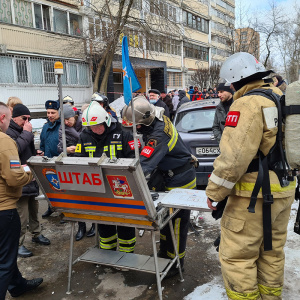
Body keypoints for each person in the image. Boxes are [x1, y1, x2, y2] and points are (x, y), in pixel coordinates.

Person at [206, 52, 296, 299]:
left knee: (237, 257)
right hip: (283, 191)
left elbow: (233, 159)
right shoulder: (279, 96)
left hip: (252, 197)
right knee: (271, 252)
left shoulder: (246, 104)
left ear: (236, 80)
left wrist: (214, 192)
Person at [122, 95, 197, 278]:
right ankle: (166, 254)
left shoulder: (159, 134)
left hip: (180, 181)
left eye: (137, 124)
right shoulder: (156, 117)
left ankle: (177, 264)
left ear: (145, 120)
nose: (136, 128)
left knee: (177, 223)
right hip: (170, 177)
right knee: (166, 222)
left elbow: (145, 164)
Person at [74, 101, 137, 253]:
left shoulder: (123, 133)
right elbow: (78, 159)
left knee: (125, 222)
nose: (95, 130)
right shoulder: (84, 136)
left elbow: (135, 160)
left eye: (98, 126)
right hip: (98, 188)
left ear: (106, 121)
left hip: (122, 187)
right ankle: (107, 254)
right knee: (104, 221)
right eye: (92, 127)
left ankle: (126, 255)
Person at [0, 102, 43, 299]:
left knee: (4, 255)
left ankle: (17, 285)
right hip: (4, 208)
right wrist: (31, 174)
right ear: (3, 118)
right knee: (5, 261)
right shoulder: (5, 140)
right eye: (11, 118)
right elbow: (14, 177)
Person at [6, 104, 50, 258]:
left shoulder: (21, 130)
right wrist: (26, 133)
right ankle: (18, 244)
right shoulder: (9, 131)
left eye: (29, 118)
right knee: (21, 215)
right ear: (14, 117)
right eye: (24, 118)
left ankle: (36, 234)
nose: (27, 121)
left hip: (29, 178)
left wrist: (34, 153)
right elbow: (15, 149)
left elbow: (24, 150)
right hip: (19, 180)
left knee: (34, 208)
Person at [57, 104, 95, 240]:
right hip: (72, 164)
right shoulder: (63, 128)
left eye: (68, 119)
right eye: (64, 120)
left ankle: (95, 224)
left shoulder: (85, 123)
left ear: (74, 116)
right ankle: (81, 226)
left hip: (88, 163)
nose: (67, 122)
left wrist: (79, 145)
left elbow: (90, 139)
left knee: (93, 195)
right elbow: (60, 146)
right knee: (78, 197)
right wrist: (66, 150)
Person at [40, 100, 61, 218]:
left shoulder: (62, 126)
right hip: (48, 161)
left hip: (59, 162)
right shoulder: (45, 127)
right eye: (48, 113)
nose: (50, 115)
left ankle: (63, 210)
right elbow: (42, 143)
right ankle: (50, 207)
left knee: (61, 188)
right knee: (49, 186)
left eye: (53, 112)